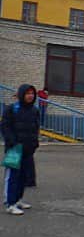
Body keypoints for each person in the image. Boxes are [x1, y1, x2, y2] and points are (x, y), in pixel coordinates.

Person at [2, 84, 40, 215]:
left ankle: (18, 199)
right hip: (14, 149)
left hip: (28, 149)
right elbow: (5, 127)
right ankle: (10, 203)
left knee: (24, 176)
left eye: (32, 93)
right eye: (27, 93)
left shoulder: (34, 110)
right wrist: (12, 142)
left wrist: (35, 143)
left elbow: (35, 128)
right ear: (21, 94)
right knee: (13, 176)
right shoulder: (12, 109)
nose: (30, 96)